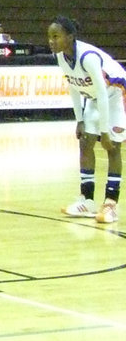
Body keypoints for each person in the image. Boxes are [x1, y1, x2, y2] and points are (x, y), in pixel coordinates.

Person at [49, 16, 124, 224]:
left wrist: (105, 132)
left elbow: (102, 92)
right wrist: (80, 120)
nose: (51, 41)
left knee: (113, 147)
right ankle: (87, 200)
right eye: (49, 37)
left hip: (116, 94)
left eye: (56, 36)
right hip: (93, 98)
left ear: (70, 37)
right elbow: (73, 85)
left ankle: (111, 203)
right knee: (85, 142)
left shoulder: (88, 56)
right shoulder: (62, 57)